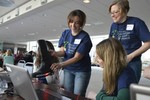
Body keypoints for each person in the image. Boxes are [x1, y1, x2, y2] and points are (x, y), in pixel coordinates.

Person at [50, 9, 92, 96]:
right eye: (71, 22)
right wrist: (54, 53)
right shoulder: (66, 33)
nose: (73, 25)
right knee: (68, 93)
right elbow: (63, 52)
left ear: (81, 23)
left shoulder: (85, 37)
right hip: (68, 69)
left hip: (81, 70)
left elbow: (77, 57)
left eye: (76, 22)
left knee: (78, 95)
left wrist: (61, 64)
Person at [109, 0, 150, 82]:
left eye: (116, 12)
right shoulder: (113, 25)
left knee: (129, 88)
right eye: (111, 12)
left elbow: (148, 43)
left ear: (125, 11)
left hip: (132, 63)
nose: (112, 15)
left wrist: (130, 56)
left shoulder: (137, 22)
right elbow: (110, 44)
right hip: (116, 62)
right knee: (113, 87)